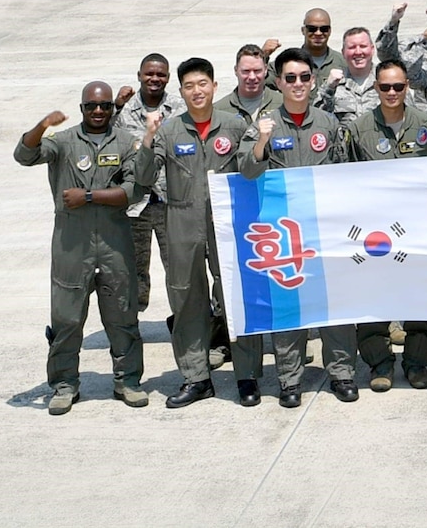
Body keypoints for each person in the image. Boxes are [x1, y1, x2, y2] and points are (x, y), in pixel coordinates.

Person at [14, 81, 149, 414]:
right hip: (71, 246)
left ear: (112, 108)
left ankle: (127, 381)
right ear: (82, 109)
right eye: (91, 106)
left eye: (105, 106)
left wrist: (87, 197)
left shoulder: (126, 143)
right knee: (66, 318)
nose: (99, 111)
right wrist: (43, 125)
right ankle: (64, 384)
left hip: (115, 243)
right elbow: (24, 154)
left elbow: (133, 191)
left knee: (122, 315)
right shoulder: (63, 142)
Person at [238, 48, 357, 407]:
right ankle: (290, 380)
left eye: (305, 77)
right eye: (290, 78)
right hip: (284, 233)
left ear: (314, 80)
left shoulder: (328, 123)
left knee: (333, 303)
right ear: (279, 82)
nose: (298, 84)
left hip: (323, 229)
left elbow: (344, 171)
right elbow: (246, 170)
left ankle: (342, 373)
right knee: (289, 304)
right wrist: (262, 139)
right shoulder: (265, 123)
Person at [138, 57, 250, 408]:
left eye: (203, 84)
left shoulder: (234, 125)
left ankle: (247, 375)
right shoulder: (170, 131)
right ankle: (196, 377)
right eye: (189, 86)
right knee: (186, 300)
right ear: (182, 91)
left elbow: (251, 168)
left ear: (214, 87)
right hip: (182, 222)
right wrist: (148, 137)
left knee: (235, 297)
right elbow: (142, 178)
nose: (197, 91)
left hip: (227, 224)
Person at [345, 61, 427, 392]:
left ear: (407, 88)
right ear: (375, 88)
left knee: (420, 299)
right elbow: (346, 179)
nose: (391, 93)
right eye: (385, 87)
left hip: (416, 229)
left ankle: (416, 363)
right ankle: (380, 363)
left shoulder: (425, 127)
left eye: (398, 87)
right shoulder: (360, 129)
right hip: (375, 233)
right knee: (374, 298)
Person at [115, 53, 178, 312]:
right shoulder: (123, 110)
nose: (155, 79)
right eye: (149, 74)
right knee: (132, 267)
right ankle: (129, 322)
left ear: (168, 77)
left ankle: (184, 320)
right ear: (139, 75)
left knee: (177, 266)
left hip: (169, 201)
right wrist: (116, 105)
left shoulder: (179, 108)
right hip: (134, 203)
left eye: (160, 74)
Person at [319, 26, 386, 123]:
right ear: (343, 52)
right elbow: (318, 119)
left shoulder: (388, 80)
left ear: (372, 49)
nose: (358, 52)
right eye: (352, 47)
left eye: (363, 46)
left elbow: (409, 115)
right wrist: (329, 89)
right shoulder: (333, 84)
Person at [223, 45, 280, 130]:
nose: (252, 77)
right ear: (236, 70)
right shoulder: (220, 110)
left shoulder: (283, 104)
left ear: (265, 70)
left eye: (257, 71)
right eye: (246, 71)